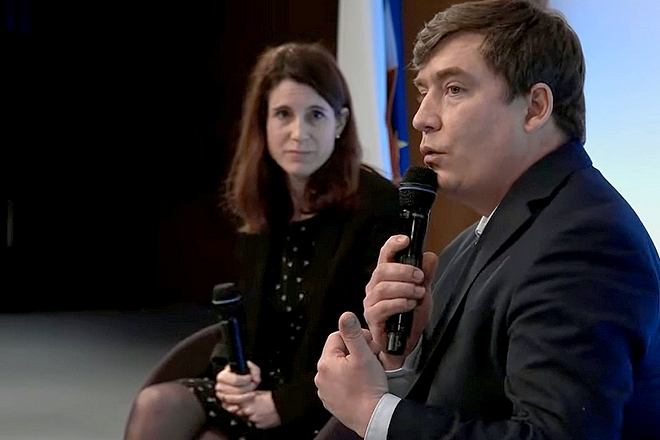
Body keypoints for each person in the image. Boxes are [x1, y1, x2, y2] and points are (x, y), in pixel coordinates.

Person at [314, 1, 660, 439]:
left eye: (454, 89)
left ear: (535, 108)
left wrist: (373, 411)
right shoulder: (477, 239)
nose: (422, 118)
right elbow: (466, 402)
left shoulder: (586, 241)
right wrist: (402, 356)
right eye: (423, 91)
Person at [124, 42, 401, 440]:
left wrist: (283, 404)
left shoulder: (377, 207)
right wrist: (229, 373)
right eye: (283, 114)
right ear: (263, 122)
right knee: (158, 404)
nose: (298, 133)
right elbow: (241, 316)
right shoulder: (265, 200)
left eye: (315, 115)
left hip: (325, 405)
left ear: (339, 123)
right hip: (257, 388)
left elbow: (377, 343)